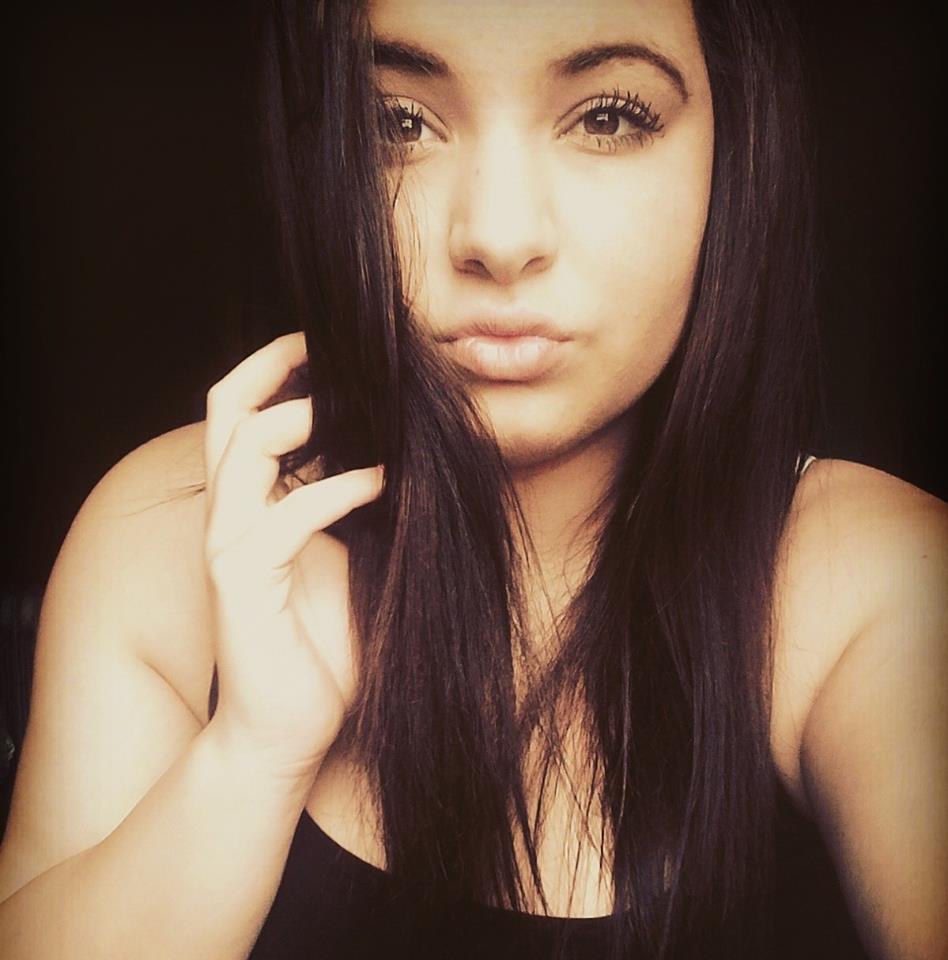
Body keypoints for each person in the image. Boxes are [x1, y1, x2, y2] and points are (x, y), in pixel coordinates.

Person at [0, 1, 944, 958]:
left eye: (608, 116)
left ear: (735, 145)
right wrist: (251, 755)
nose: (496, 234)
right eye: (399, 123)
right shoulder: (172, 536)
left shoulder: (869, 580)